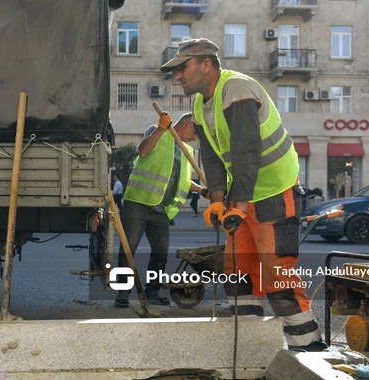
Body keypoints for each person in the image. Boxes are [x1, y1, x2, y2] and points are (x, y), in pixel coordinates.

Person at [161, 38, 326, 351]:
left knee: (276, 271)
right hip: (245, 195)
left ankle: (308, 346)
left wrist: (236, 204)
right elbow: (211, 157)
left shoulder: (236, 89)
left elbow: (246, 151)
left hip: (274, 192)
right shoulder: (199, 104)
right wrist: (218, 201)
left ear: (205, 64)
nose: (177, 76)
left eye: (183, 67)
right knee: (237, 270)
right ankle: (251, 343)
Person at [114, 113, 206, 307]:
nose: (195, 138)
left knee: (160, 253)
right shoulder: (155, 132)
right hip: (138, 202)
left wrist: (201, 190)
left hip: (161, 210)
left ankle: (152, 291)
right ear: (187, 124)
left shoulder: (185, 150)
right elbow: (143, 151)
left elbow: (182, 180)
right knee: (128, 249)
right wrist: (161, 128)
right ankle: (123, 292)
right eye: (195, 132)